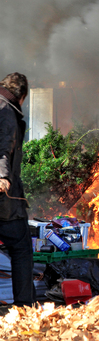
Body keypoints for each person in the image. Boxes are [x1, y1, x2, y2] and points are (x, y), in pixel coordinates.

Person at [0, 72, 34, 306]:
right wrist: (2, 176)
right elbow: (4, 146)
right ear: (21, 96)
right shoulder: (7, 112)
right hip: (4, 200)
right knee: (21, 249)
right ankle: (25, 307)